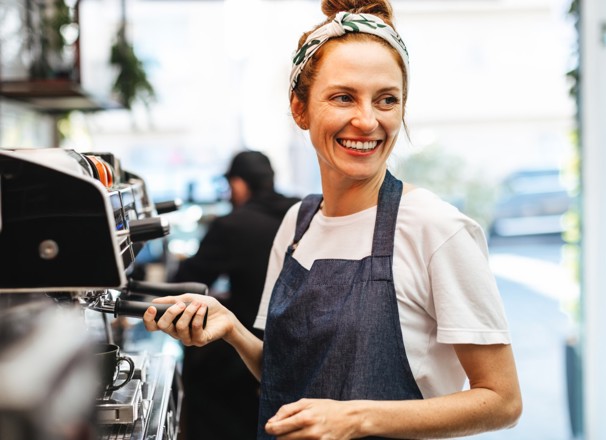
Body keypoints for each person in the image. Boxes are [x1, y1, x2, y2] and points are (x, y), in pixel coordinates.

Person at [144, 0, 523, 438]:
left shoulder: (436, 230)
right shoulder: (296, 224)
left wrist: (358, 417)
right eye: (343, 97)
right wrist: (231, 329)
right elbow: (289, 381)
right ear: (300, 109)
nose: (367, 121)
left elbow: (503, 400)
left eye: (387, 100)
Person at [170, 150, 300, 440]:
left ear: (239, 184)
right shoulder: (303, 214)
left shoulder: (233, 224)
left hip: (246, 355)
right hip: (299, 347)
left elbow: (185, 283)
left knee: (199, 364)